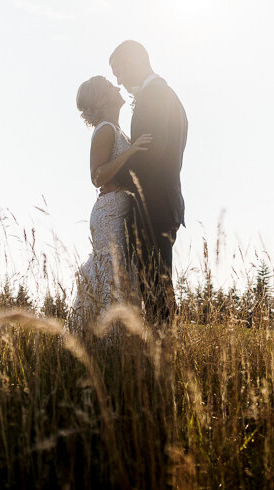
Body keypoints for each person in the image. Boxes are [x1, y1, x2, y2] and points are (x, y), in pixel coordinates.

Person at [109, 40, 188, 325]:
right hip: (163, 203)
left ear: (134, 62)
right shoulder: (165, 94)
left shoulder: (155, 96)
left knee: (155, 287)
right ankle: (160, 351)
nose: (118, 79)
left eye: (119, 70)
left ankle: (161, 355)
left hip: (153, 205)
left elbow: (153, 154)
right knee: (156, 284)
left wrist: (112, 177)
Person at [71, 75, 152, 327]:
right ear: (102, 98)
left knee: (121, 275)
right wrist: (130, 151)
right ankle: (104, 338)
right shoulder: (105, 129)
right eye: (110, 86)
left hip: (121, 211)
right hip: (109, 213)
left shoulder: (116, 129)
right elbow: (97, 176)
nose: (117, 87)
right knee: (112, 275)